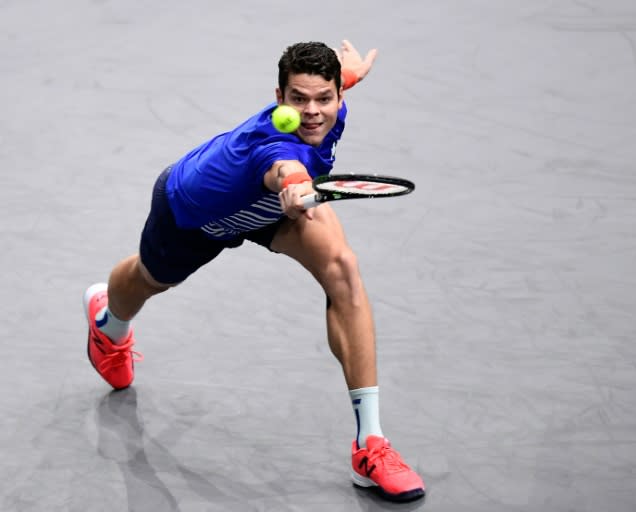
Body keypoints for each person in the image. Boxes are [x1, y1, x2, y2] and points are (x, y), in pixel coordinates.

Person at [82, 40, 425, 502]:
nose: (312, 112)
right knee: (149, 280)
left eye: (325, 98)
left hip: (270, 212)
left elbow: (322, 97)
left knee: (343, 269)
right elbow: (283, 169)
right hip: (194, 215)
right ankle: (109, 324)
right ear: (279, 97)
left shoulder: (327, 104)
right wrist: (293, 184)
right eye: (298, 99)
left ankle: (371, 444)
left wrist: (348, 76)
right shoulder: (276, 148)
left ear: (338, 96)